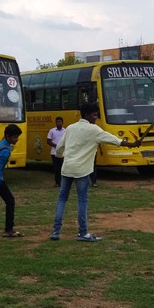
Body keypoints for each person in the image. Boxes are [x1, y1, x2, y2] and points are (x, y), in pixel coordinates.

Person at [49, 103, 141, 242]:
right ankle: (83, 233)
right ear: (87, 115)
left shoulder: (71, 128)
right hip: (82, 171)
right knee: (82, 201)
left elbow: (60, 147)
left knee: (62, 198)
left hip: (67, 168)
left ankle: (56, 232)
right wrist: (133, 145)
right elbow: (114, 140)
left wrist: (62, 157)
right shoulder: (94, 129)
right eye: (94, 115)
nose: (96, 118)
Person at [47, 116, 65, 187]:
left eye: (60, 122)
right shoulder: (52, 131)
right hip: (54, 152)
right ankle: (57, 182)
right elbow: (48, 141)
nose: (58, 123)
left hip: (63, 152)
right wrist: (56, 145)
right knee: (56, 168)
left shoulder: (65, 131)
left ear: (62, 123)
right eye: (57, 122)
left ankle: (63, 182)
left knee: (62, 168)